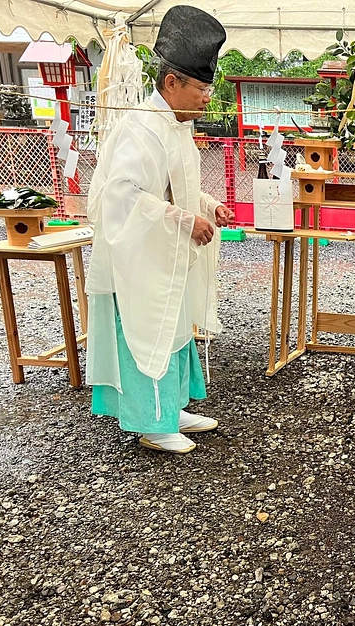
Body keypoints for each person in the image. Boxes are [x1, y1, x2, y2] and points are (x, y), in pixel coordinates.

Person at [85, 6, 233, 454]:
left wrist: (207, 205)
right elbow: (122, 195)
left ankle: (171, 408)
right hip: (138, 257)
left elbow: (175, 186)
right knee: (147, 329)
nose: (207, 99)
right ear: (172, 83)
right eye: (202, 89)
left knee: (174, 326)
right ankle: (151, 422)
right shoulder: (141, 127)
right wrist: (184, 219)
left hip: (166, 249)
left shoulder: (175, 126)